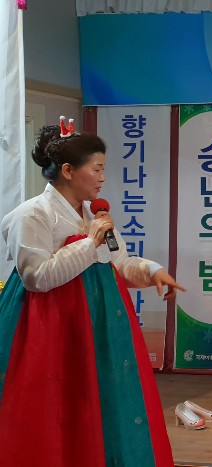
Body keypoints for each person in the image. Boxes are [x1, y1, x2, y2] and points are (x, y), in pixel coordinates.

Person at [0, 121, 184, 466]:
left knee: (102, 400)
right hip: (54, 326)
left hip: (100, 323)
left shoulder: (93, 213)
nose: (102, 178)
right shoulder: (33, 214)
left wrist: (152, 270)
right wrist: (90, 242)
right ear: (68, 171)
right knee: (59, 403)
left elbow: (119, 262)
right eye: (96, 169)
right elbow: (36, 277)